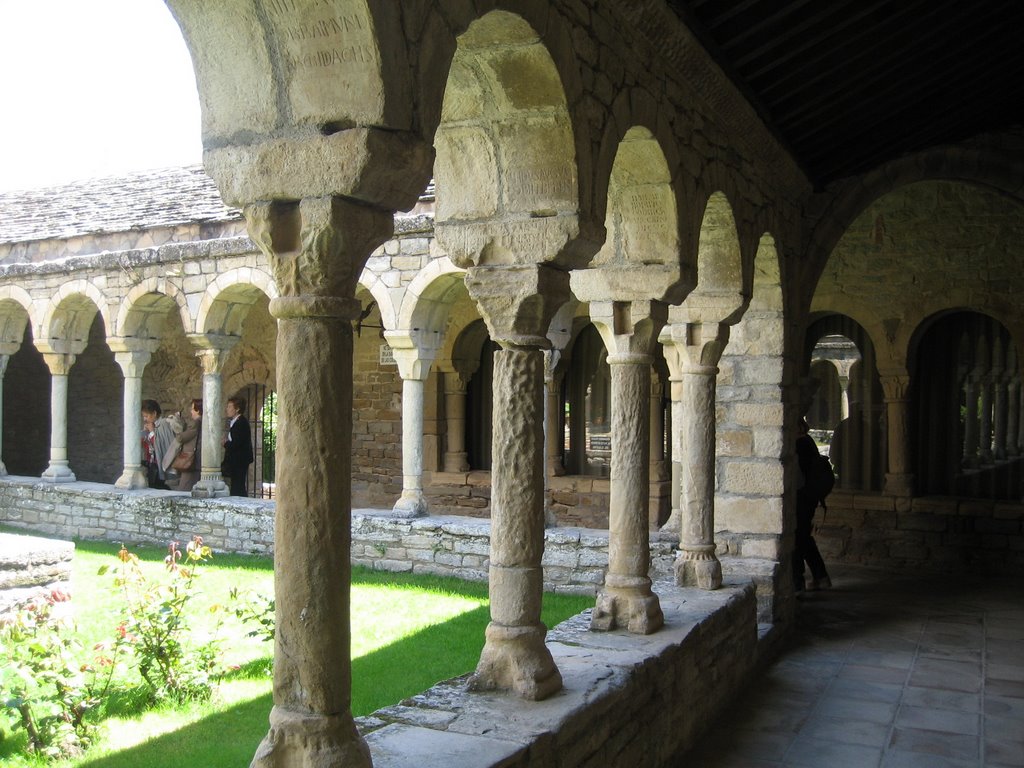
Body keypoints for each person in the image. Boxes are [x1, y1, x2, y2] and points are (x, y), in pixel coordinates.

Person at [794, 418, 832, 593]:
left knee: (798, 539)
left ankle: (798, 583)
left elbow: (798, 476)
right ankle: (820, 576)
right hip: (808, 499)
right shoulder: (807, 441)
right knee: (803, 537)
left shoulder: (800, 444)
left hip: (801, 499)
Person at [141, 399, 180, 490]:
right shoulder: (151, 426)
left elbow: (162, 444)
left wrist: (151, 432)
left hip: (161, 464)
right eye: (143, 416)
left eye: (146, 416)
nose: (144, 419)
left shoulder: (163, 424)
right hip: (153, 465)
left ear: (154, 413)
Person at [165, 399, 203, 492]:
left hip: (191, 460)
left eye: (193, 409)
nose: (191, 411)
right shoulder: (202, 422)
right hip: (196, 461)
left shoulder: (196, 422)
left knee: (184, 490)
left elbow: (182, 438)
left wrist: (176, 427)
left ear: (198, 410)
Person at [222, 396, 253, 497]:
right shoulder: (236, 422)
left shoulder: (241, 423)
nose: (227, 409)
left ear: (237, 408)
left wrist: (225, 443)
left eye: (230, 406)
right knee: (236, 485)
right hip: (237, 459)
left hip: (240, 460)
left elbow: (237, 443)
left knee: (238, 486)